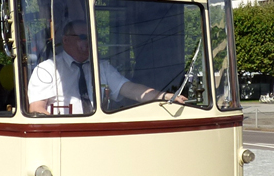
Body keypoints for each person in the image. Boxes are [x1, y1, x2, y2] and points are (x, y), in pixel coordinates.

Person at [27, 20, 185, 115]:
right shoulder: (47, 69)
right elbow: (36, 109)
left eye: (91, 37)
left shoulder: (102, 67)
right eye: (83, 37)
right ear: (66, 40)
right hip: (64, 137)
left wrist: (164, 96)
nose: (89, 42)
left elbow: (130, 89)